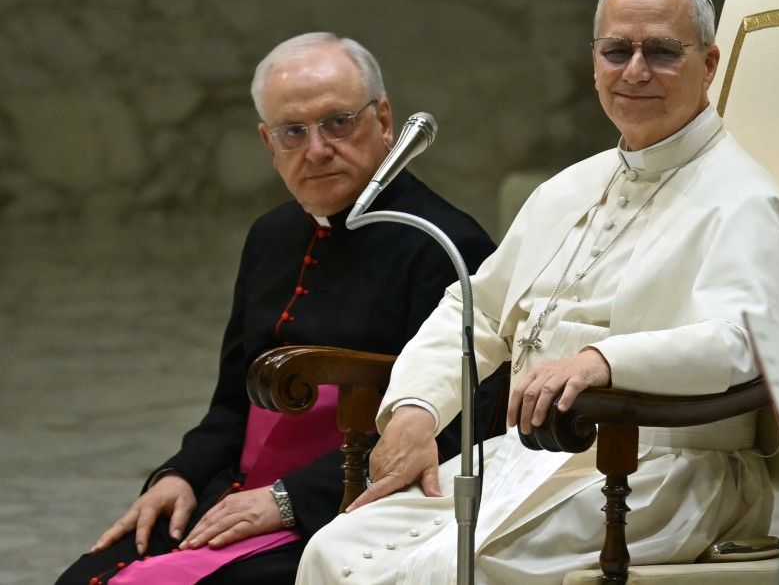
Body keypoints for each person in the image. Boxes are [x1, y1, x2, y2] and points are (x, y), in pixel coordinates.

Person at [296, 0, 779, 584]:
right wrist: (417, 407)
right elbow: (478, 309)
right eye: (617, 51)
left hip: (663, 474)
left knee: (445, 570)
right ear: (594, 63)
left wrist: (601, 361)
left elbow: (747, 340)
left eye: (662, 52)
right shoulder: (569, 189)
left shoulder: (745, 200)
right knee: (332, 550)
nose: (635, 71)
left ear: (709, 64)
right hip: (532, 459)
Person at [57, 33, 500, 585]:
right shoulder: (271, 235)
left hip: (351, 509)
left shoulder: (443, 243)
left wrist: (289, 499)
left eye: (338, 122)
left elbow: (464, 429)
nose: (317, 149)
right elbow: (231, 403)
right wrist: (180, 475)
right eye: (293, 132)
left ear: (384, 120)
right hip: (235, 491)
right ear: (269, 144)